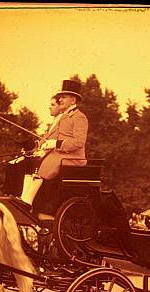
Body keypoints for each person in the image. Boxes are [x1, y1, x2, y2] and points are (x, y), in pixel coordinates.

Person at [19, 79, 89, 208]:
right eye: (60, 97)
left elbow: (79, 142)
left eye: (63, 97)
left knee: (43, 164)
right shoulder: (63, 117)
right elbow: (50, 138)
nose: (60, 100)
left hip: (74, 157)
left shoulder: (79, 117)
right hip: (59, 154)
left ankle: (27, 202)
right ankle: (24, 198)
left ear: (73, 100)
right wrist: (36, 148)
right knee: (32, 161)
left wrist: (56, 144)